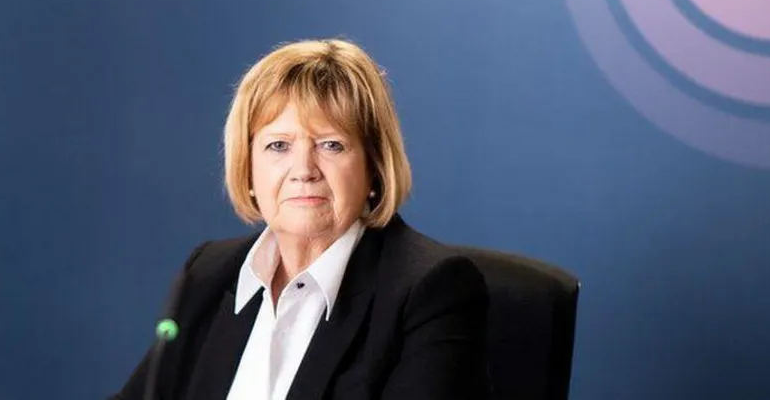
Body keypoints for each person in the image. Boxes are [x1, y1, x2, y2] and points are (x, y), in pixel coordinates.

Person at [111, 39, 491, 400]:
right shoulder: (209, 275)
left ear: (374, 166)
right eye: (279, 145)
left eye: (331, 145)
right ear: (248, 166)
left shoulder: (430, 293)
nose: (303, 170)